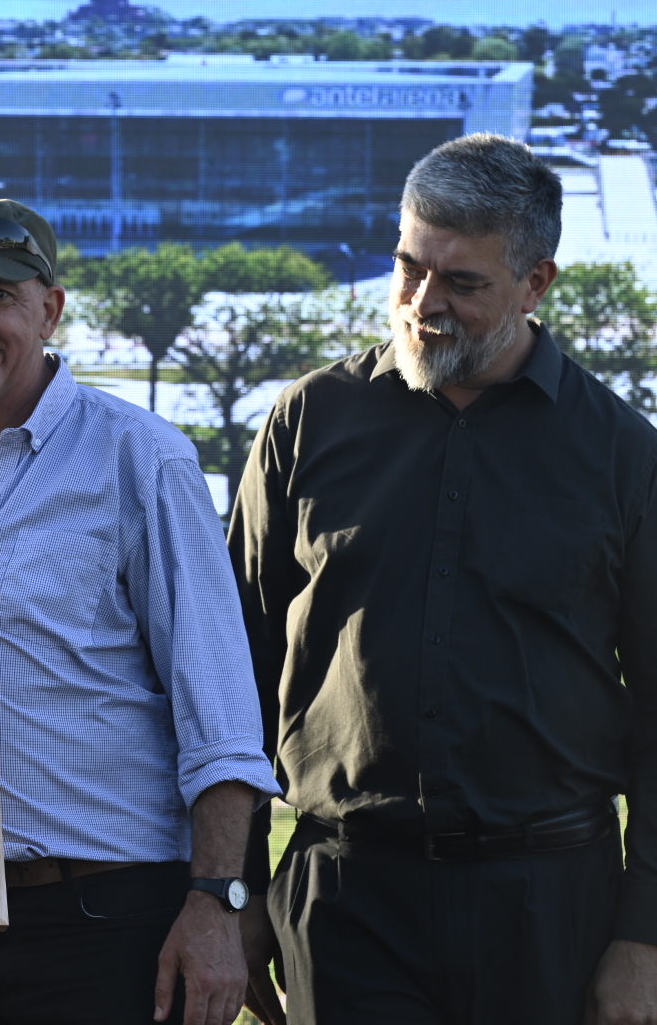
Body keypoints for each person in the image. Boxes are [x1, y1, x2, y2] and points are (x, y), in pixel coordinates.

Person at [230, 132, 657, 1025]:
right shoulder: (307, 422)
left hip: (551, 909)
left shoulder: (623, 454)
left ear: (537, 282)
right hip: (344, 900)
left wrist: (644, 937)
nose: (423, 303)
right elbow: (232, 672)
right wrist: (231, 893)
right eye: (408, 268)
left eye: (463, 282)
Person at [0, 198, 280, 1025]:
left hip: (105, 922)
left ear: (49, 309)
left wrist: (218, 903)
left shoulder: (141, 456)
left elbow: (222, 709)